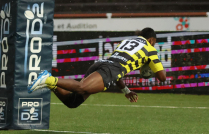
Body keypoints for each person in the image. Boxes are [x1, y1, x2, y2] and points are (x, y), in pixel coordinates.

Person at [28, 27, 167, 108]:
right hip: (109, 69)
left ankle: (51, 84)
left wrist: (126, 91)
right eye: (154, 43)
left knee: (73, 101)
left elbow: (117, 68)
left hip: (102, 65)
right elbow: (162, 77)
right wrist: (149, 64)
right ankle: (48, 79)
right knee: (81, 87)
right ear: (151, 40)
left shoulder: (128, 41)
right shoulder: (150, 49)